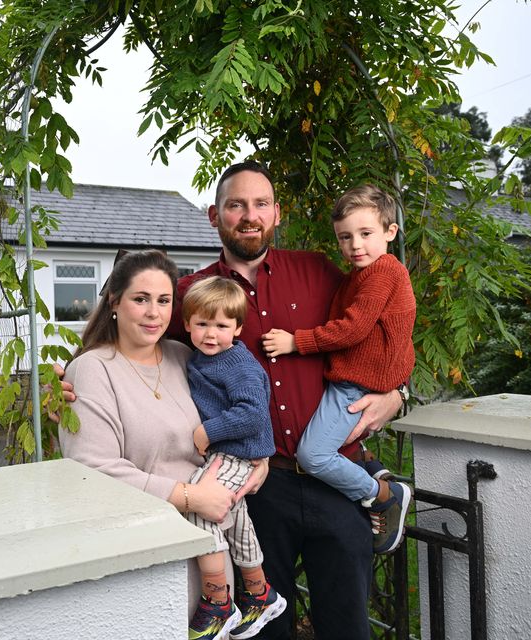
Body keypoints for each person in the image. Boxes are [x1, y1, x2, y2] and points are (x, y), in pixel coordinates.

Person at [167, 161, 403, 639]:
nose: (249, 215)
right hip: (256, 490)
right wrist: (78, 376)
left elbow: (381, 328)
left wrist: (396, 394)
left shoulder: (320, 271)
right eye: (236, 205)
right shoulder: (192, 294)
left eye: (260, 204)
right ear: (215, 215)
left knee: (346, 626)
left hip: (333, 480)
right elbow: (139, 348)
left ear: (277, 213)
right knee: (265, 630)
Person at [59, 249, 257, 640]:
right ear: (114, 302)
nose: (153, 312)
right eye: (140, 299)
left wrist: (258, 459)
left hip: (210, 550)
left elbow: (240, 414)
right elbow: (92, 470)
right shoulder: (92, 370)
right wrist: (189, 496)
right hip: (147, 554)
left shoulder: (187, 357)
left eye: (164, 300)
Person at [261, 184, 416, 555]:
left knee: (313, 455)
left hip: (354, 387)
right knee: (328, 440)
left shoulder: (382, 273)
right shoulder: (360, 274)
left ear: (390, 232)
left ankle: (382, 495)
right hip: (352, 382)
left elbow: (355, 328)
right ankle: (369, 465)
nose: (355, 245)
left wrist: (296, 342)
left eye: (366, 234)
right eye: (345, 237)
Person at [181, 275, 286, 638]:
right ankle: (260, 592)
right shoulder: (201, 358)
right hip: (233, 455)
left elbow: (254, 412)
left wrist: (207, 432)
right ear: (187, 324)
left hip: (237, 455)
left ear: (238, 328)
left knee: (199, 509)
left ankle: (217, 599)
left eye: (222, 326)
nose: (211, 334)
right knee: (237, 517)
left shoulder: (235, 363)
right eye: (202, 324)